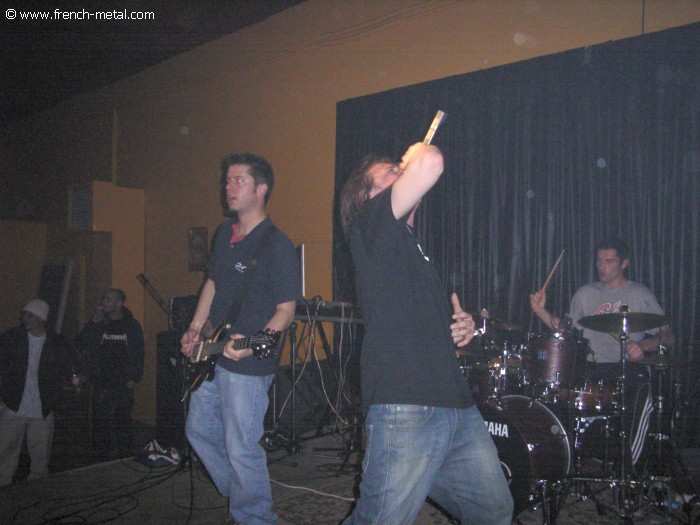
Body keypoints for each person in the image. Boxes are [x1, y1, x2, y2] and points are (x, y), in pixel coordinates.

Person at [339, 143, 514, 525]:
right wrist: (416, 154)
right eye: (390, 171)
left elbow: (415, 324)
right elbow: (431, 162)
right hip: (405, 404)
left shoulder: (412, 249)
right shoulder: (370, 225)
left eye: (400, 167)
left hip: (455, 405)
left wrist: (459, 327)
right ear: (368, 197)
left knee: (493, 511)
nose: (400, 171)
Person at [180, 152, 301, 525]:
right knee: (199, 431)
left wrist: (256, 343)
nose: (228, 187)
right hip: (213, 351)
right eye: (227, 180)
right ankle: (243, 496)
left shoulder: (277, 245)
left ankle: (255, 516)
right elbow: (212, 283)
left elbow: (286, 310)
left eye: (238, 180)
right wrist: (195, 327)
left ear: (260, 189)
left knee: (241, 446)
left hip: (248, 363)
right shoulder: (224, 234)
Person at [530, 237, 675, 466]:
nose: (602, 267)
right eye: (599, 261)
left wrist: (644, 346)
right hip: (592, 368)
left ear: (624, 263)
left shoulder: (639, 294)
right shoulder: (585, 294)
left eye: (609, 261)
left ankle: (631, 470)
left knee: (639, 393)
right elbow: (566, 330)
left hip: (627, 368)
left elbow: (668, 336)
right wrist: (540, 311)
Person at [0, 299, 73, 486]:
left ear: (41, 318)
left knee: (40, 454)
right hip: (14, 404)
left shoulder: (56, 343)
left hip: (42, 407)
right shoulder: (12, 338)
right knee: (5, 450)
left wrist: (60, 390)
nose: (25, 318)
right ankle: (3, 486)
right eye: (24, 314)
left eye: (30, 315)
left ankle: (38, 489)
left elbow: (67, 367)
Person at [75, 288, 145, 461]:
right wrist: (93, 323)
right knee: (100, 421)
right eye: (103, 298)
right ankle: (100, 459)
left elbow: (138, 352)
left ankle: (125, 457)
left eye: (108, 299)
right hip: (100, 380)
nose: (103, 302)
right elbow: (80, 343)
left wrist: (134, 377)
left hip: (122, 381)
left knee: (123, 420)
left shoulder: (131, 325)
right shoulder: (99, 323)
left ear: (119, 303)